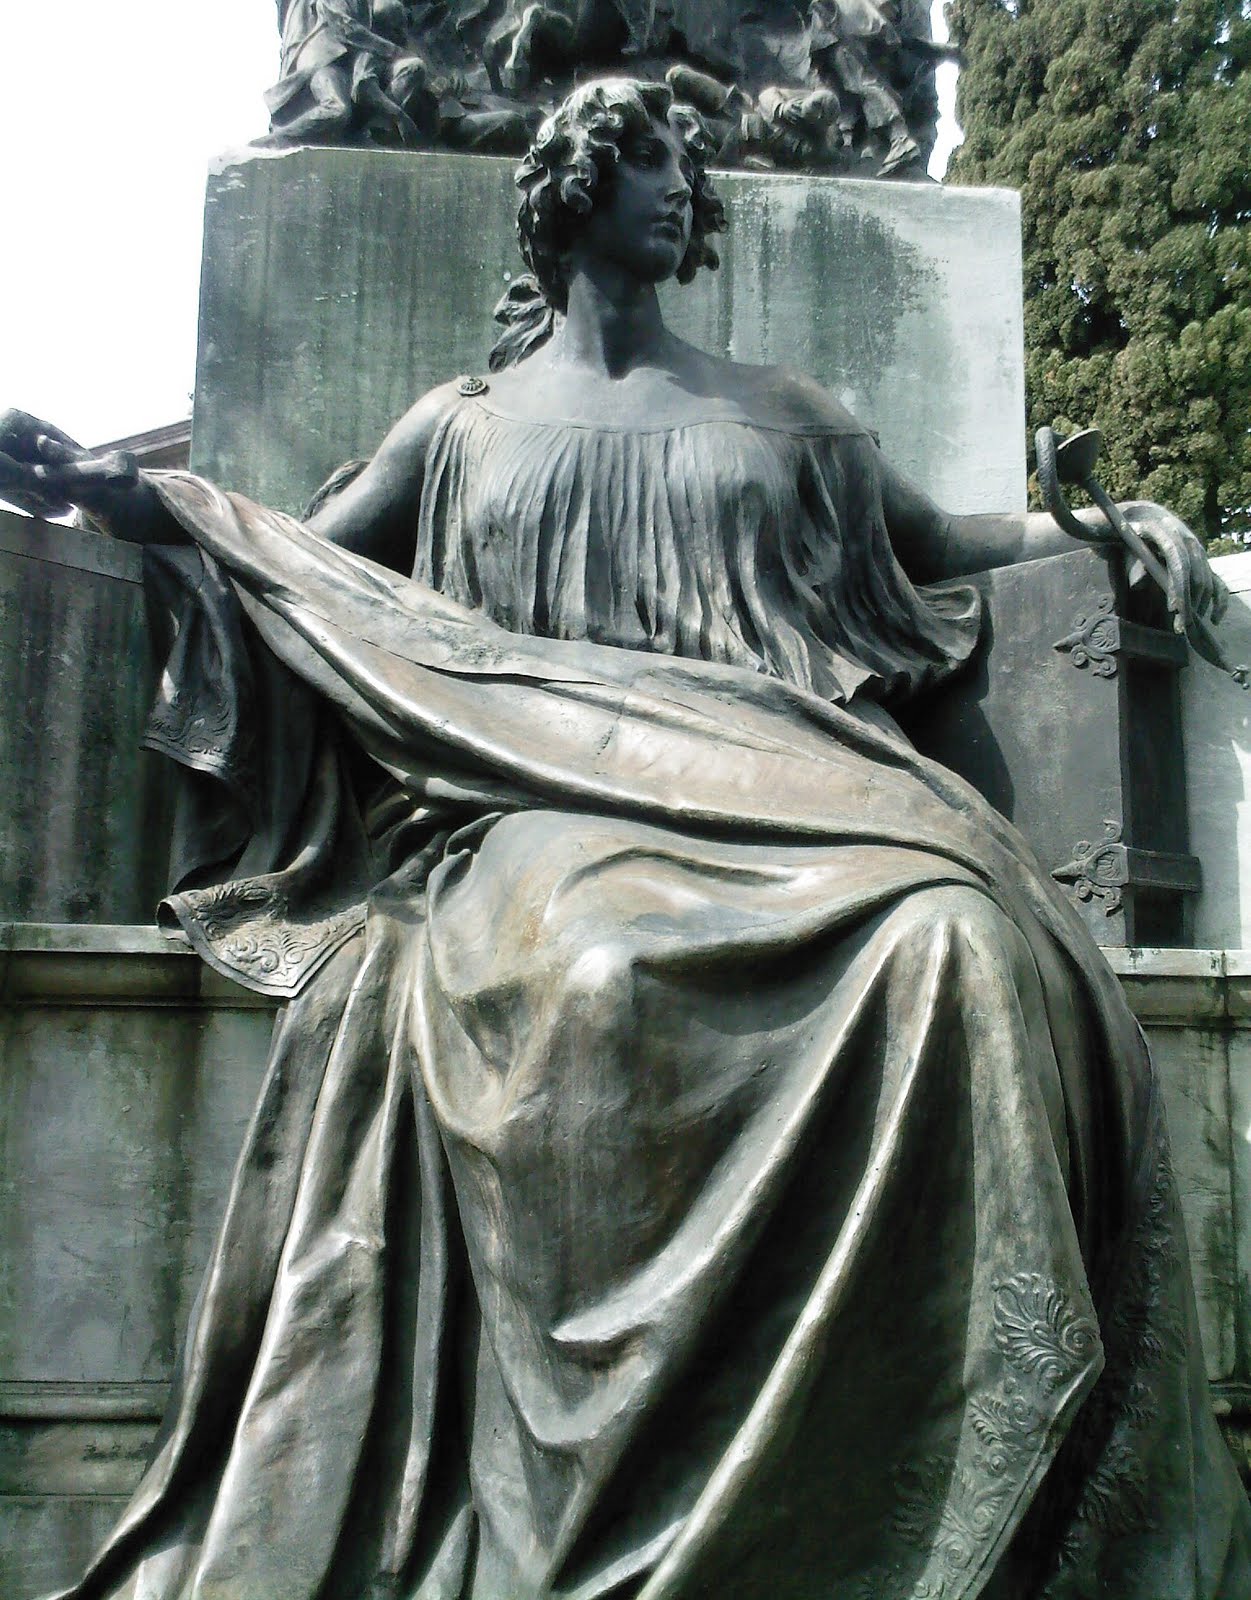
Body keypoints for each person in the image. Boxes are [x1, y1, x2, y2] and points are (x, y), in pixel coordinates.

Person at [3, 76, 1249, 1600]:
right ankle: (621, 1508)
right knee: (592, 976)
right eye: (647, 158)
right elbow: (299, 575)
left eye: (685, 165)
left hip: (792, 786)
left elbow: (947, 541)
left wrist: (1103, 527)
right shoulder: (461, 428)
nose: (680, 187)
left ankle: (936, 1492)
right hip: (544, 802)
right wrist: (143, 505)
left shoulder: (783, 412)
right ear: (573, 190)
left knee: (962, 942)